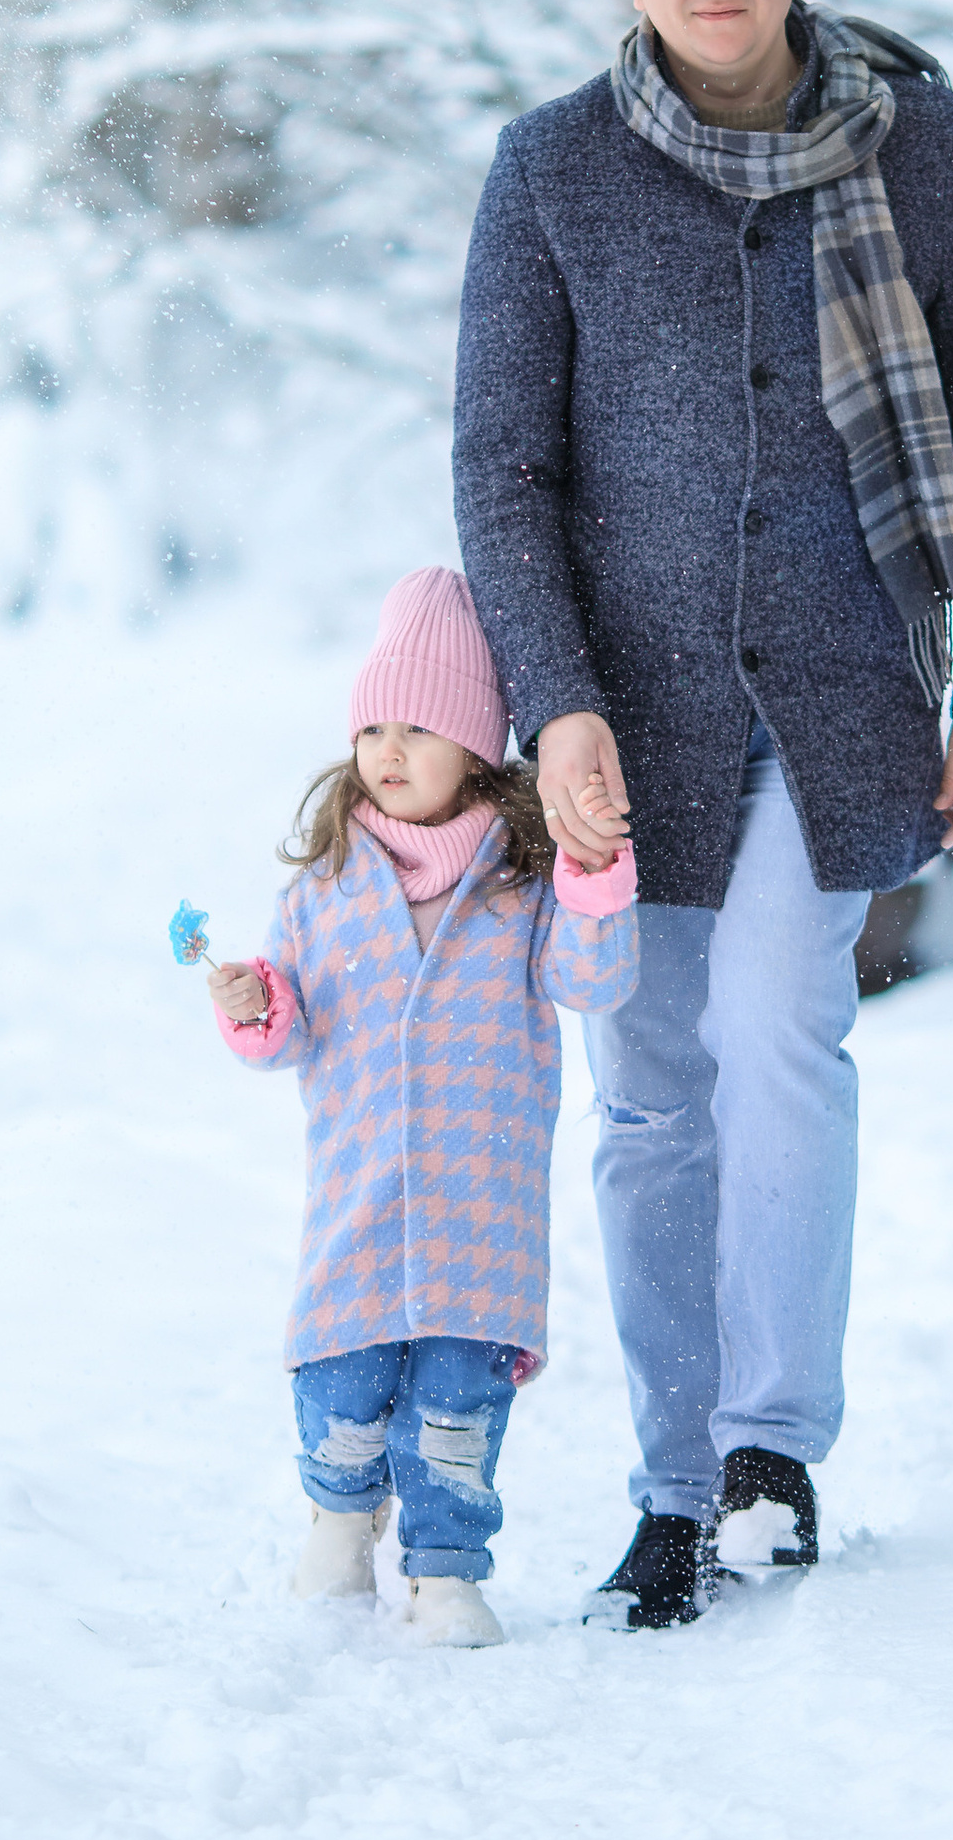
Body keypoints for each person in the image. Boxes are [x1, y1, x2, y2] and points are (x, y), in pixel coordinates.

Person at [454, 0, 953, 1630]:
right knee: (649, 1099)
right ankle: (667, 1483)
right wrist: (552, 703)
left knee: (784, 1037)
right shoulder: (551, 169)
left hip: (845, 688)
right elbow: (504, 467)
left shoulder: (919, 147)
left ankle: (770, 1452)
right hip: (623, 719)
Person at [204, 565, 639, 1647]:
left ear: (477, 751)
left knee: (453, 1408)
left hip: (475, 1213)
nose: (387, 752)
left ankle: (445, 1571)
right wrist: (257, 1003)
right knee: (344, 1389)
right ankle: (338, 1528)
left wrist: (593, 881)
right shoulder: (323, 888)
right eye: (372, 729)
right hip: (357, 1206)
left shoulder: (517, 886)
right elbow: (288, 1033)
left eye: (418, 728)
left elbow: (590, 985)